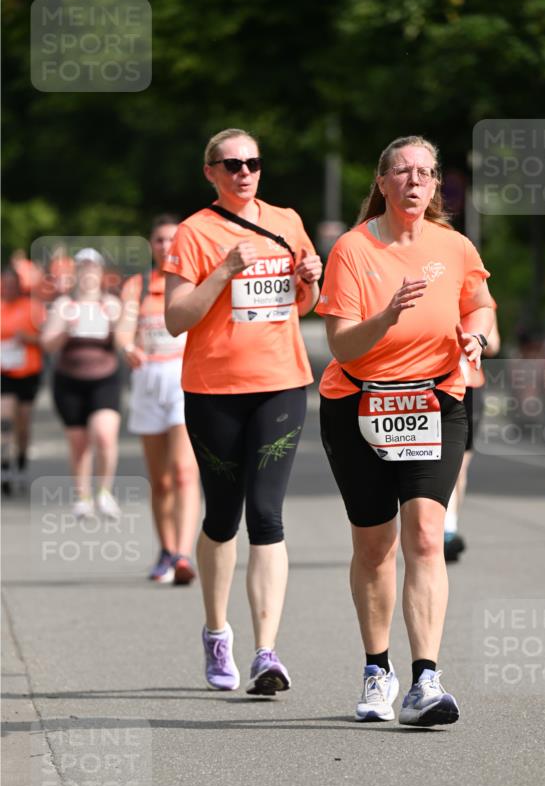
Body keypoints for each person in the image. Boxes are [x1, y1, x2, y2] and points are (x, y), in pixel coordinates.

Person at [317, 135, 494, 727]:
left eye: (425, 172)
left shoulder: (455, 245)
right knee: (375, 546)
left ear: (436, 183)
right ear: (383, 181)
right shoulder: (353, 249)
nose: (415, 181)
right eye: (403, 171)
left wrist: (476, 335)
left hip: (436, 402)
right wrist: (388, 315)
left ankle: (426, 680)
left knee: (425, 534)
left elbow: (481, 305)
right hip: (359, 404)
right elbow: (342, 344)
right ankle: (377, 669)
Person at [163, 127, 322, 695]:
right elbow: (176, 318)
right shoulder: (194, 232)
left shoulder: (287, 221)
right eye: (231, 164)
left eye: (252, 162)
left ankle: (265, 652)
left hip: (281, 384)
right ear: (210, 172)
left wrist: (309, 281)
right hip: (214, 389)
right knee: (222, 516)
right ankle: (216, 631)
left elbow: (304, 304)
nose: (244, 172)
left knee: (266, 514)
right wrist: (224, 270)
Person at [118, 215, 200, 585]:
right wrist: (126, 346)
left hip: (184, 379)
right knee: (161, 479)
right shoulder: (137, 286)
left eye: (172, 240)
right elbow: (123, 328)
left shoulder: (193, 281)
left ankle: (183, 554)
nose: (166, 246)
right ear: (151, 245)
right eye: (159, 240)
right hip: (148, 381)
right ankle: (166, 550)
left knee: (183, 471)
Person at [41, 248, 123, 519]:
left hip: (105, 379)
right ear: (75, 272)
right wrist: (66, 328)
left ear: (100, 272)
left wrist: (116, 325)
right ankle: (83, 496)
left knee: (104, 434)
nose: (88, 272)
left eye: (93, 267)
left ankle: (105, 492)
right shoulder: (64, 304)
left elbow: (124, 342)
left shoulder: (111, 304)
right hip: (69, 381)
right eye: (83, 267)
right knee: (78, 443)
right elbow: (47, 344)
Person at [444, 303, 501, 562]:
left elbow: (494, 344)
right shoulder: (430, 292)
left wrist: (474, 340)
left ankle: (449, 528)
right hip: (434, 386)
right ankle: (436, 529)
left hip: (470, 388)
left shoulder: (480, 300)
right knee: (435, 462)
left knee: (459, 467)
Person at [1, 265, 46, 494]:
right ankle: (5, 467)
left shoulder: (33, 307)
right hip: (4, 374)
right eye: (4, 285)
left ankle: (21, 464)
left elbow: (47, 340)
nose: (8, 289)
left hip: (28, 373)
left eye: (12, 285)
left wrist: (27, 338)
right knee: (5, 419)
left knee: (23, 424)